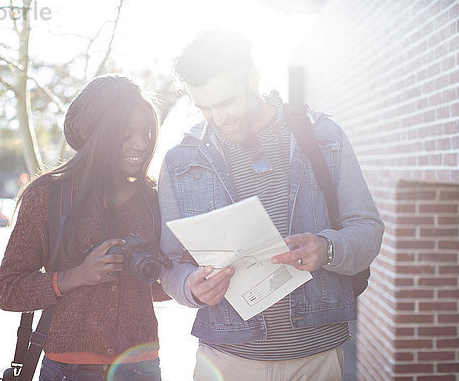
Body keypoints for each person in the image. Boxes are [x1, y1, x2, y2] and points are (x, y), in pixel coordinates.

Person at [158, 29, 385, 381]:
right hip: (225, 361)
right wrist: (190, 286)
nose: (218, 118)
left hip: (315, 359)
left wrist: (326, 248)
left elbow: (367, 229)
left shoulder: (324, 136)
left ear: (254, 78)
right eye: (205, 107)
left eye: (227, 101)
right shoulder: (179, 161)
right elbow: (169, 261)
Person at [0, 75, 169, 381]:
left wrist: (186, 275)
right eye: (126, 135)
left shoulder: (154, 198)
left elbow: (158, 288)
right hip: (68, 369)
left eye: (146, 133)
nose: (141, 144)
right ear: (98, 135)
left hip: (140, 367)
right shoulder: (48, 196)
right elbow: (7, 290)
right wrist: (77, 277)